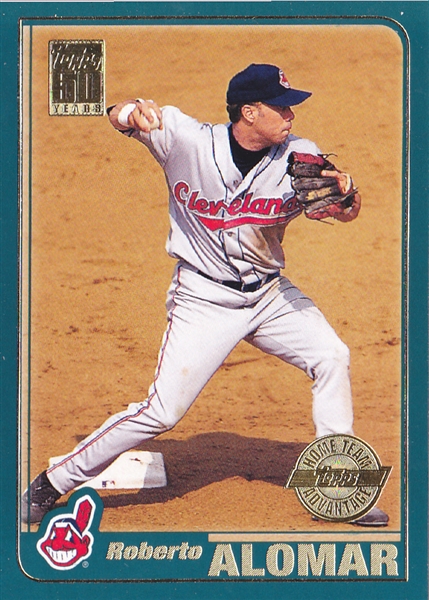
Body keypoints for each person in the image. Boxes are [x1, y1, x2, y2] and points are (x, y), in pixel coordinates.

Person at [22, 63, 388, 527]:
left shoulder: (301, 156)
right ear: (249, 112)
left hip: (269, 296)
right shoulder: (185, 140)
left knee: (331, 356)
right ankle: (54, 481)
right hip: (203, 299)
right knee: (162, 412)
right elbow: (116, 114)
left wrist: (348, 197)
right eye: (281, 108)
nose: (291, 116)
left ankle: (339, 485)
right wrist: (132, 112)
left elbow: (343, 211)